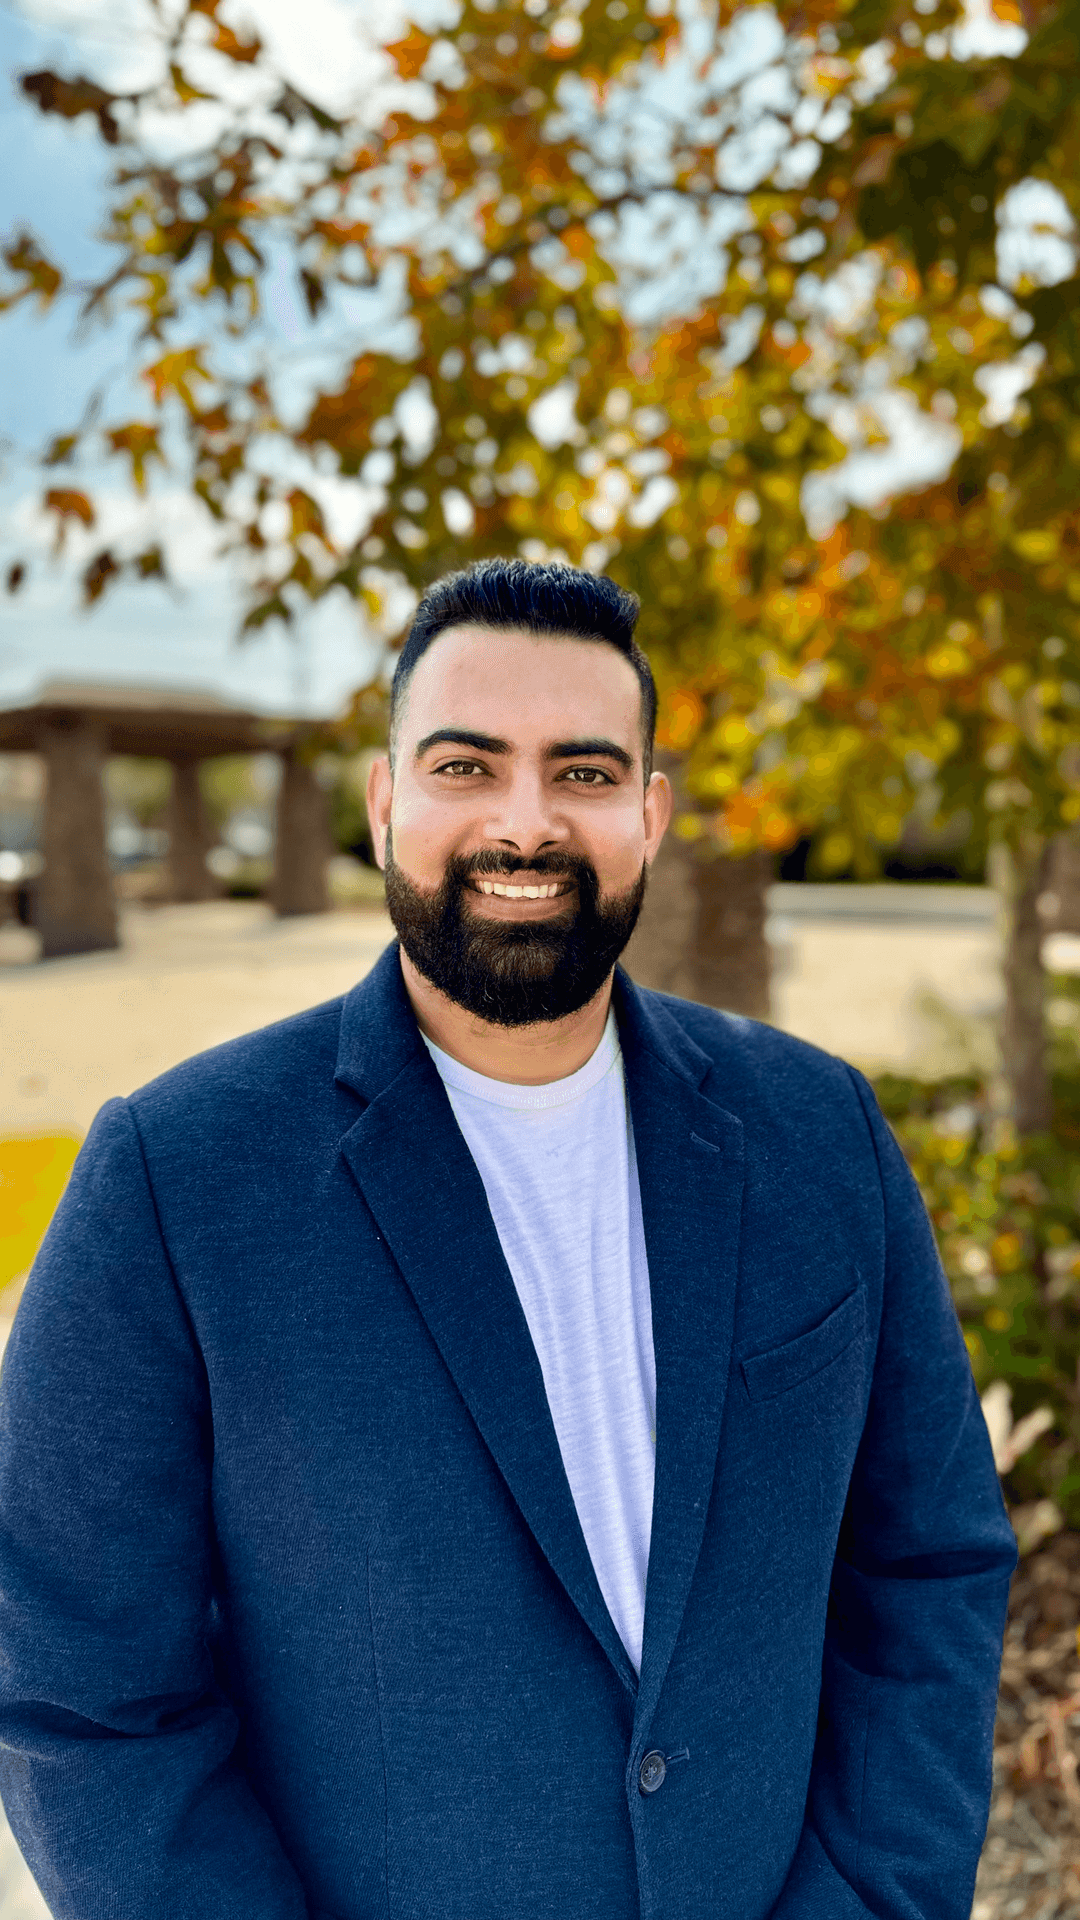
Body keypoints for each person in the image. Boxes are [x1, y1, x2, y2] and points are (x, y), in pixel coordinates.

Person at [0, 557, 1016, 1920]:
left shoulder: (819, 1132)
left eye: (585, 773)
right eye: (466, 766)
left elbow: (929, 1561)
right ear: (385, 804)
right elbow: (80, 1694)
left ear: (650, 815)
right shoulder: (172, 1179)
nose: (524, 824)